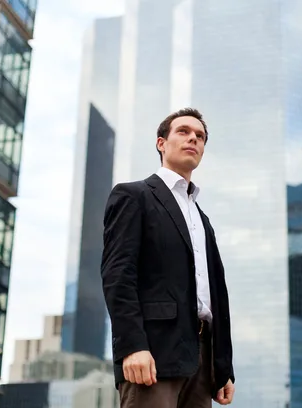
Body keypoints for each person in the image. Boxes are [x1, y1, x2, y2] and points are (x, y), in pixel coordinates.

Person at [101, 108, 235, 408]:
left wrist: (223, 367)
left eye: (200, 136)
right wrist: (132, 346)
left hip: (202, 359)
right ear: (161, 143)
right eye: (184, 132)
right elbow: (118, 275)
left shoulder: (202, 219)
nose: (193, 139)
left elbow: (215, 297)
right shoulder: (133, 196)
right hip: (153, 353)